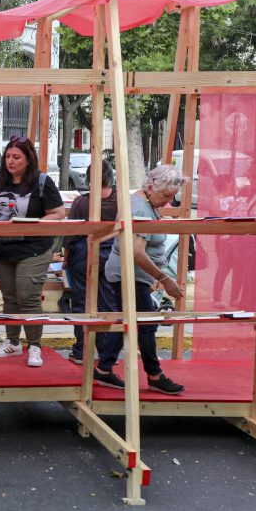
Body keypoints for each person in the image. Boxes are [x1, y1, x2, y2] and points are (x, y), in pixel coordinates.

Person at [94, 165, 187, 394]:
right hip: (129, 274)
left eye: (171, 198)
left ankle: (104, 369)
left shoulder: (143, 203)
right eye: (165, 196)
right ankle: (154, 375)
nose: (167, 202)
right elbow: (137, 253)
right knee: (145, 324)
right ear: (150, 187)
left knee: (128, 320)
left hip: (131, 275)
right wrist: (165, 278)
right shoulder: (141, 208)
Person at [0, 135, 66, 367]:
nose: (10, 161)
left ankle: (34, 346)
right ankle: (12, 342)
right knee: (9, 298)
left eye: (16, 157)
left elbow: (59, 213)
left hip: (33, 249)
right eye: (8, 156)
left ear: (28, 160)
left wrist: (34, 225)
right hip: (4, 249)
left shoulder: (42, 181)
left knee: (27, 297)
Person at [64, 162, 118, 365]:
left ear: (88, 178)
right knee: (108, 304)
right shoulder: (120, 200)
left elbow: (70, 234)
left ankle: (82, 350)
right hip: (112, 255)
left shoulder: (81, 202)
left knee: (81, 303)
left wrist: (66, 257)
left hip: (83, 254)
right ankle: (106, 352)